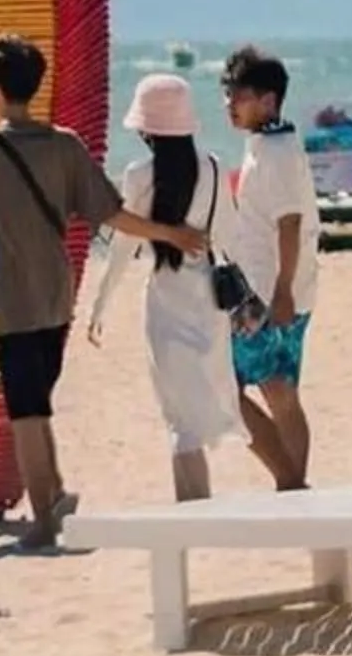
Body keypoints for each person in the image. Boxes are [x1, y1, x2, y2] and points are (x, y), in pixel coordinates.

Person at [0, 34, 169, 548]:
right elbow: (112, 212)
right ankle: (56, 494)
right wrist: (169, 233)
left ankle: (43, 520)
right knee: (37, 403)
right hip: (59, 297)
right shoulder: (66, 145)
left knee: (26, 414)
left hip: (15, 303)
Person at [83, 73, 239, 502]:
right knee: (192, 416)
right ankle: (192, 507)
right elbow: (229, 236)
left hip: (166, 301)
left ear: (146, 129)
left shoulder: (139, 175)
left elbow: (123, 246)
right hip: (208, 301)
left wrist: (100, 305)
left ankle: (194, 508)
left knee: (178, 419)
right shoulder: (213, 169)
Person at [220, 44, 321, 490]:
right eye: (228, 95)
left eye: (239, 97)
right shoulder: (273, 143)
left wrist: (282, 290)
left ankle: (288, 477)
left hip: (266, 294)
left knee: (223, 388)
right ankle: (292, 486)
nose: (230, 105)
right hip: (282, 288)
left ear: (268, 101)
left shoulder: (275, 153)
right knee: (280, 390)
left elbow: (289, 224)